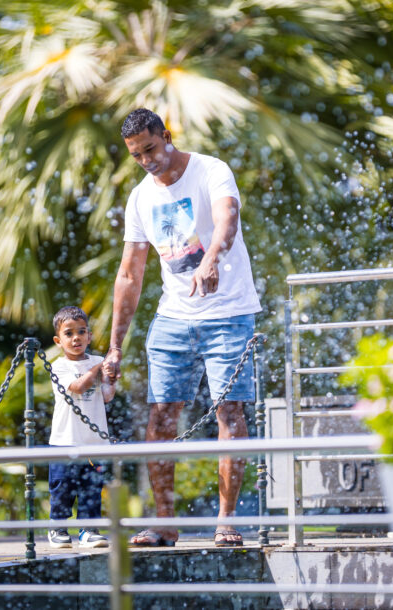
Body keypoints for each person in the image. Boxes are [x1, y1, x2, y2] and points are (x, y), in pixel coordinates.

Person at [102, 108, 261, 548]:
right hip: (173, 318)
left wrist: (211, 260)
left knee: (230, 413)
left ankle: (227, 522)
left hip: (228, 313)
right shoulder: (140, 198)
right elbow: (130, 275)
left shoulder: (211, 170)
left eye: (151, 149)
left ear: (166, 136)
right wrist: (114, 346)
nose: (147, 161)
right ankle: (164, 523)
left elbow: (227, 219)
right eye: (137, 156)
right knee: (159, 419)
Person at [46, 306, 115, 549]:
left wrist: (110, 376)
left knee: (91, 487)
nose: (76, 338)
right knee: (62, 486)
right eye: (69, 333)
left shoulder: (98, 361)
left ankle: (88, 529)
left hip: (94, 442)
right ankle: (58, 526)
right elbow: (77, 387)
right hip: (65, 440)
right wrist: (98, 369)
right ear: (58, 340)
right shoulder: (58, 366)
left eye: (81, 332)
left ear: (89, 336)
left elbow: (106, 396)